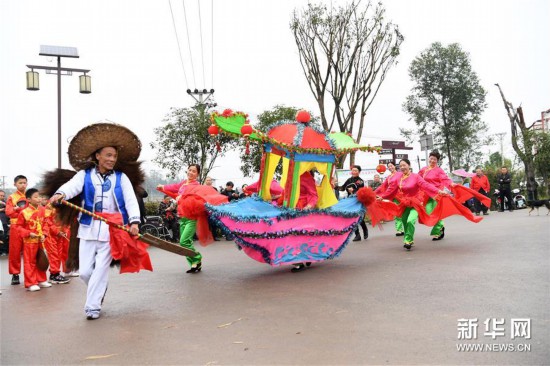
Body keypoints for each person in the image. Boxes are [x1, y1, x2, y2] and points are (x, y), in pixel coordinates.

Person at [49, 123, 150, 320]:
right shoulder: (84, 175)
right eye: (108, 155)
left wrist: (135, 222)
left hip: (111, 229)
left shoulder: (121, 178)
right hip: (87, 228)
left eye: (114, 156)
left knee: (101, 268)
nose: (112, 159)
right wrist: (60, 194)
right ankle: (99, 289)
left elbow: (130, 200)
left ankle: (92, 307)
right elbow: (71, 187)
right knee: (86, 272)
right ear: (98, 156)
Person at [377, 159, 447, 250]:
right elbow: (391, 190)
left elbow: (426, 185)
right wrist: (382, 197)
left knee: (411, 220)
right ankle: (408, 240)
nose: (402, 167)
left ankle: (409, 239)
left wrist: (438, 191)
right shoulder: (399, 178)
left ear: (409, 165)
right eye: (400, 166)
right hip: (404, 203)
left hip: (416, 203)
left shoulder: (416, 177)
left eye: (404, 165)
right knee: (405, 221)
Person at [158, 164, 203, 273]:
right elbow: (173, 187)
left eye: (194, 171)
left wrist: (181, 197)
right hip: (182, 217)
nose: (191, 173)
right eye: (189, 170)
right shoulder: (183, 183)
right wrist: (163, 187)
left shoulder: (196, 185)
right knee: (187, 243)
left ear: (197, 174)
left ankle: (197, 258)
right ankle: (194, 264)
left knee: (183, 242)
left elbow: (194, 198)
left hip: (192, 218)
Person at [16, 188, 52, 292]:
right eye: (36, 197)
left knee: (41, 259)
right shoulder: (24, 212)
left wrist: (45, 234)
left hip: (40, 241)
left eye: (39, 196)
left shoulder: (43, 210)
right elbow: (18, 227)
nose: (39, 199)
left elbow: (46, 223)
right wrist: (28, 233)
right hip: (29, 242)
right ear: (28, 199)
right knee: (30, 262)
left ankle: (41, 280)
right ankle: (31, 283)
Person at [418, 151, 454, 241]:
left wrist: (451, 184)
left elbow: (445, 179)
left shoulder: (439, 170)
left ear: (437, 161)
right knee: (428, 212)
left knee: (436, 212)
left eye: (435, 159)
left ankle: (438, 231)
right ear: (428, 158)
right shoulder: (424, 169)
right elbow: (417, 178)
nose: (432, 160)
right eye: (431, 158)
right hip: (426, 194)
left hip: (436, 193)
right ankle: (441, 226)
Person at [336, 165, 368, 241]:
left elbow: (360, 191)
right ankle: (357, 235)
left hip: (358, 201)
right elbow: (343, 188)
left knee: (359, 218)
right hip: (350, 201)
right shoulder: (349, 180)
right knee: (352, 218)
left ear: (359, 172)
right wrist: (334, 186)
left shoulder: (360, 181)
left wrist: (353, 191)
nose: (353, 172)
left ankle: (365, 230)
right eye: (353, 170)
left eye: (355, 170)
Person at [6, 175, 28, 286]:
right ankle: (15, 275)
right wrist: (21, 211)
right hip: (15, 227)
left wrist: (18, 210)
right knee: (15, 251)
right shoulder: (12, 197)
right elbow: (9, 212)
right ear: (15, 184)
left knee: (30, 251)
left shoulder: (30, 196)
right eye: (20, 183)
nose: (23, 185)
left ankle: (31, 275)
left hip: (28, 226)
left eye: (24, 182)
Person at [43, 202, 71, 284]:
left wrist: (64, 231)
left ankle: (55, 274)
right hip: (51, 234)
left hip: (60, 233)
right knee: (53, 254)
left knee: (59, 254)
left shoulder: (65, 204)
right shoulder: (49, 206)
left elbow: (66, 219)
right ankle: (54, 274)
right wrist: (57, 231)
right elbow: (47, 221)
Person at [375, 162, 404, 236]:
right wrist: (373, 192)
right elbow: (382, 186)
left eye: (391, 166)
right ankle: (399, 229)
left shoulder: (400, 174)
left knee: (404, 213)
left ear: (394, 166)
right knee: (397, 212)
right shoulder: (389, 177)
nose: (390, 167)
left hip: (402, 196)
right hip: (394, 197)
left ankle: (404, 227)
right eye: (389, 166)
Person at [0, 190, 9, 256]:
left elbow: (9, 209)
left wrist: (5, 205)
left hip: (4, 222)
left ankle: (4, 250)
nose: (2, 197)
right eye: (0, 195)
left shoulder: (5, 203)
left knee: (4, 236)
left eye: (3, 196)